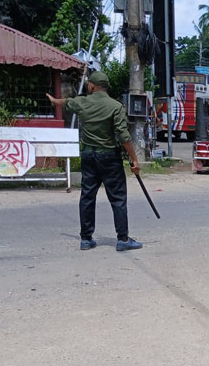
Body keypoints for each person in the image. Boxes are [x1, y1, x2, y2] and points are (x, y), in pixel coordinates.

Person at [46, 71, 143, 252]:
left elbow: (66, 103)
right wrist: (134, 160)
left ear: (91, 85)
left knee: (87, 196)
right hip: (109, 158)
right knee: (118, 198)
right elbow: (123, 135)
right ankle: (122, 239)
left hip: (88, 157)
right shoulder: (116, 106)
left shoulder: (82, 102)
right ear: (105, 86)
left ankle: (86, 239)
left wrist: (53, 100)